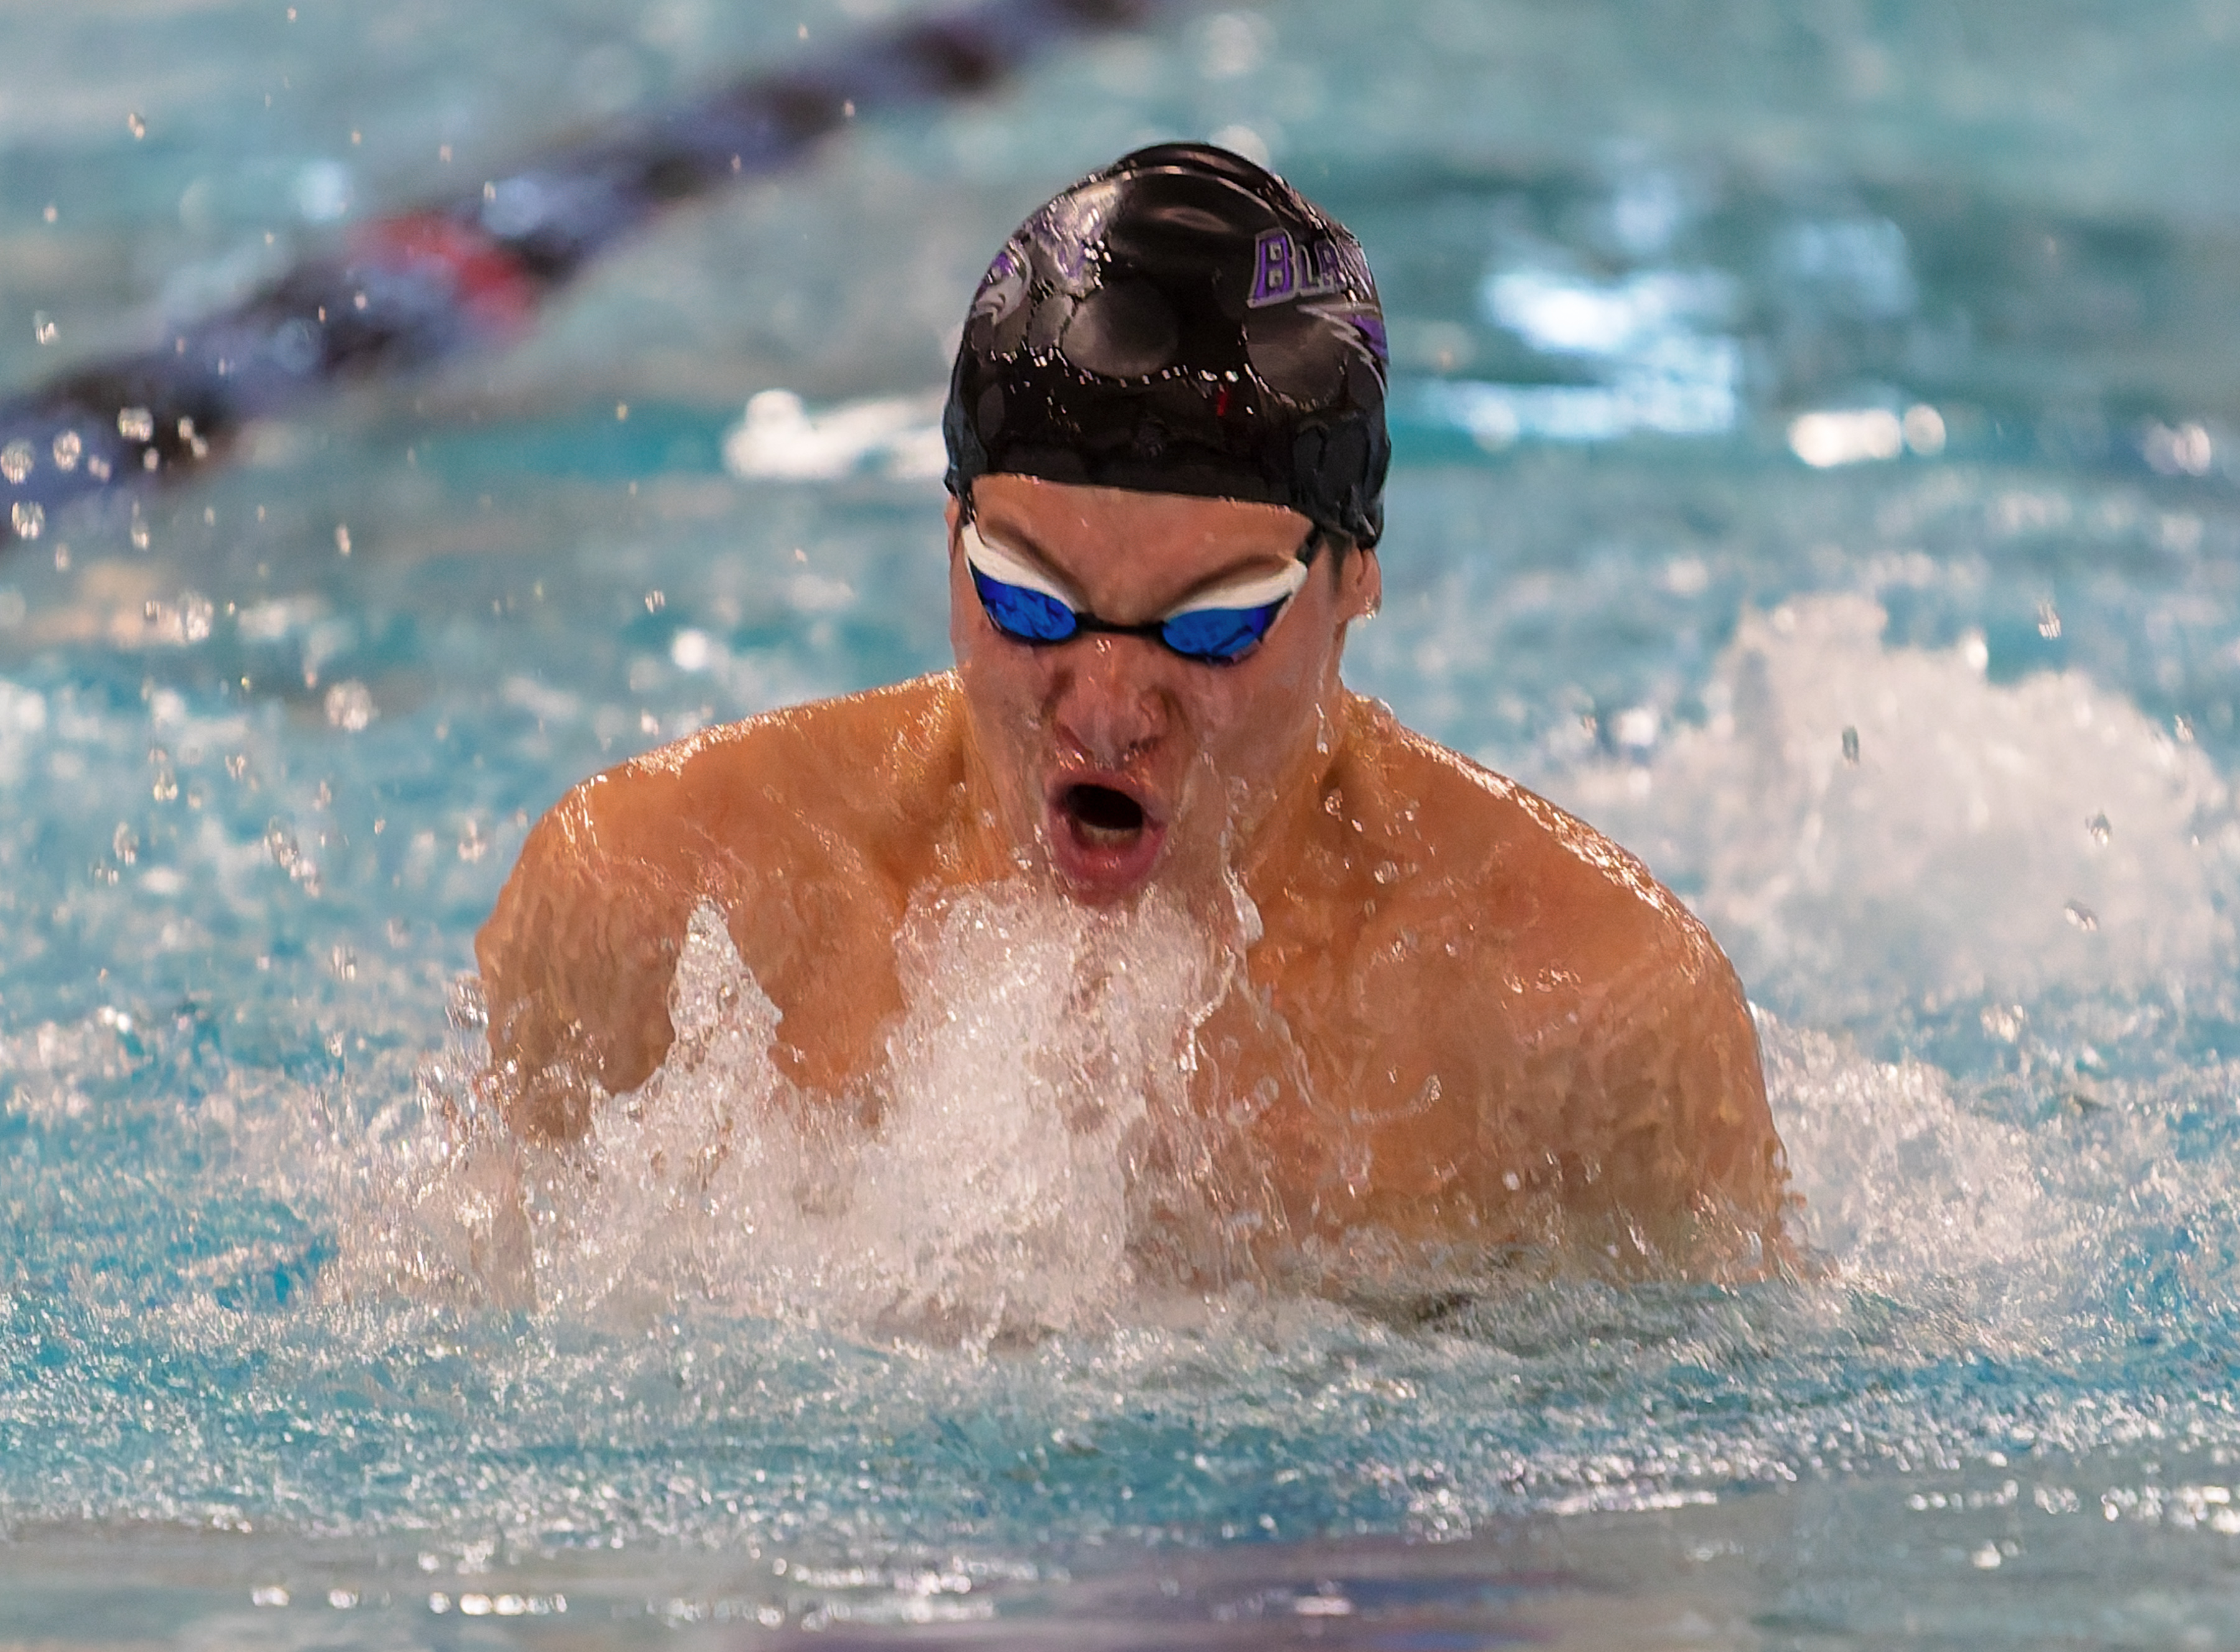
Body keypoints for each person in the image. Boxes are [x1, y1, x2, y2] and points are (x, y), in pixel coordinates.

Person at [475, 142, 1795, 1283]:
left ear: (1356, 579)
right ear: (950, 533)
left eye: (1212, 624)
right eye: (1032, 602)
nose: (1105, 708)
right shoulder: (652, 900)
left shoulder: (1582, 1018)